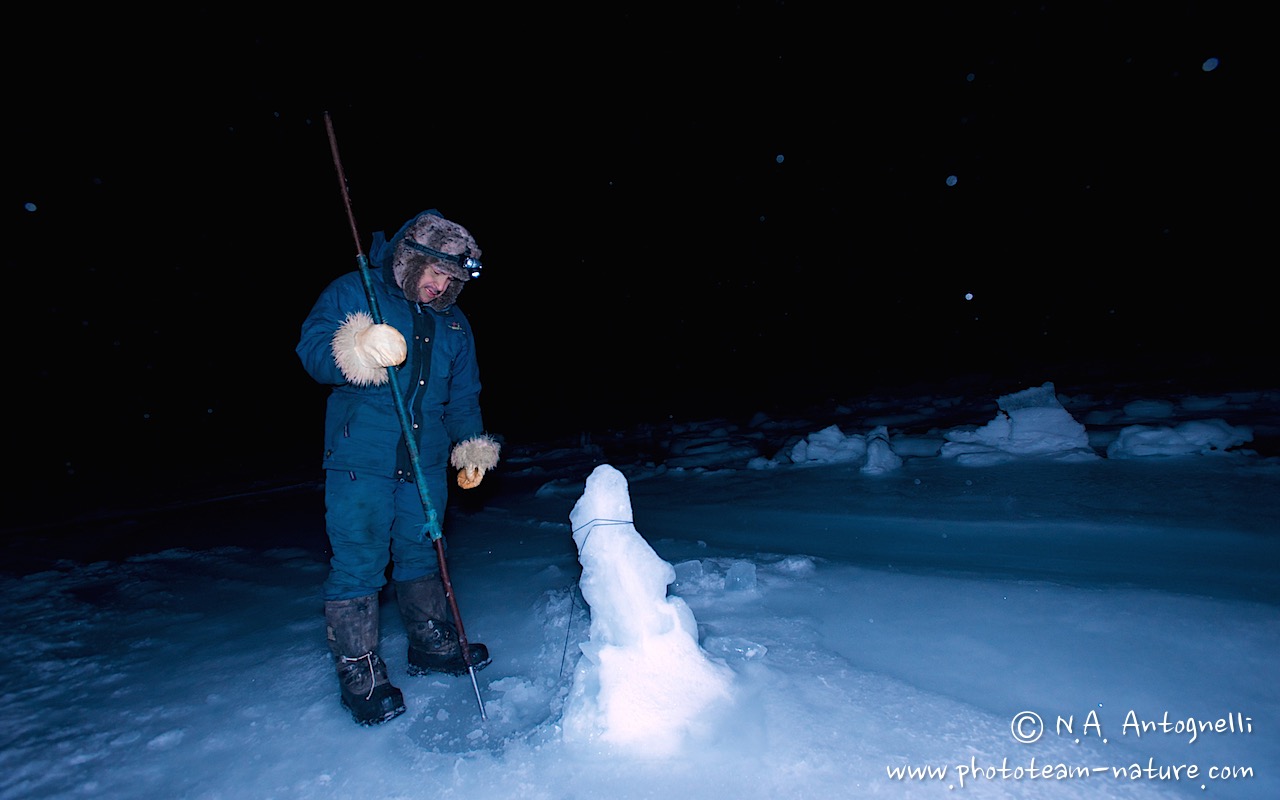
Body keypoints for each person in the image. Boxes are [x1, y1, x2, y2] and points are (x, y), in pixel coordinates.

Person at [296, 208, 501, 726]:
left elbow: (463, 394)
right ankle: (360, 667)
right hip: (360, 455)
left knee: (422, 547)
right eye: (434, 273)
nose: (439, 286)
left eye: (451, 280)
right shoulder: (355, 290)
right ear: (411, 260)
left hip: (426, 458)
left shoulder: (453, 322)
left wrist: (471, 446)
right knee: (359, 556)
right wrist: (356, 346)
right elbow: (312, 349)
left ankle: (430, 641)